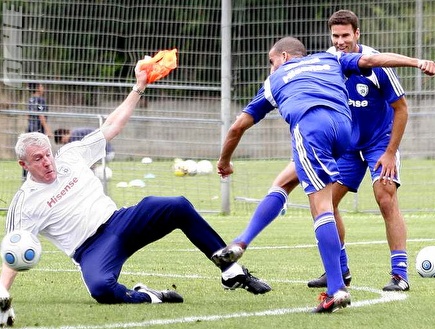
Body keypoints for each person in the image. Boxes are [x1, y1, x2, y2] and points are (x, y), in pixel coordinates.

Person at [0, 57, 271, 327]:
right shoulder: (25, 202)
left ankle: (230, 271)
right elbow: (14, 250)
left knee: (176, 204)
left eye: (48, 154)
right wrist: (2, 292)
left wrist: (139, 86)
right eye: (38, 159)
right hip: (91, 249)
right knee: (101, 289)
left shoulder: (70, 155)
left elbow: (111, 127)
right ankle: (150, 297)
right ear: (23, 164)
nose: (47, 162)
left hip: (120, 221)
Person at [211, 36, 435, 313]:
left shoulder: (276, 79)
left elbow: (236, 128)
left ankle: (336, 289)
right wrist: (417, 62)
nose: (271, 68)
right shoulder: (329, 58)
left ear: (283, 57)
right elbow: (374, 60)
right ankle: (243, 242)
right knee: (287, 181)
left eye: (271, 62)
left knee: (321, 206)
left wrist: (224, 162)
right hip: (344, 131)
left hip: (316, 129)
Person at [23, 83, 53, 180]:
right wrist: (47, 130)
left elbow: (27, 115)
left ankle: (25, 176)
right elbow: (41, 115)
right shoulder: (40, 100)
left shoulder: (30, 100)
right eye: (41, 86)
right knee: (40, 154)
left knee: (29, 154)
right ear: (37, 88)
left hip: (30, 130)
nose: (43, 88)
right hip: (38, 131)